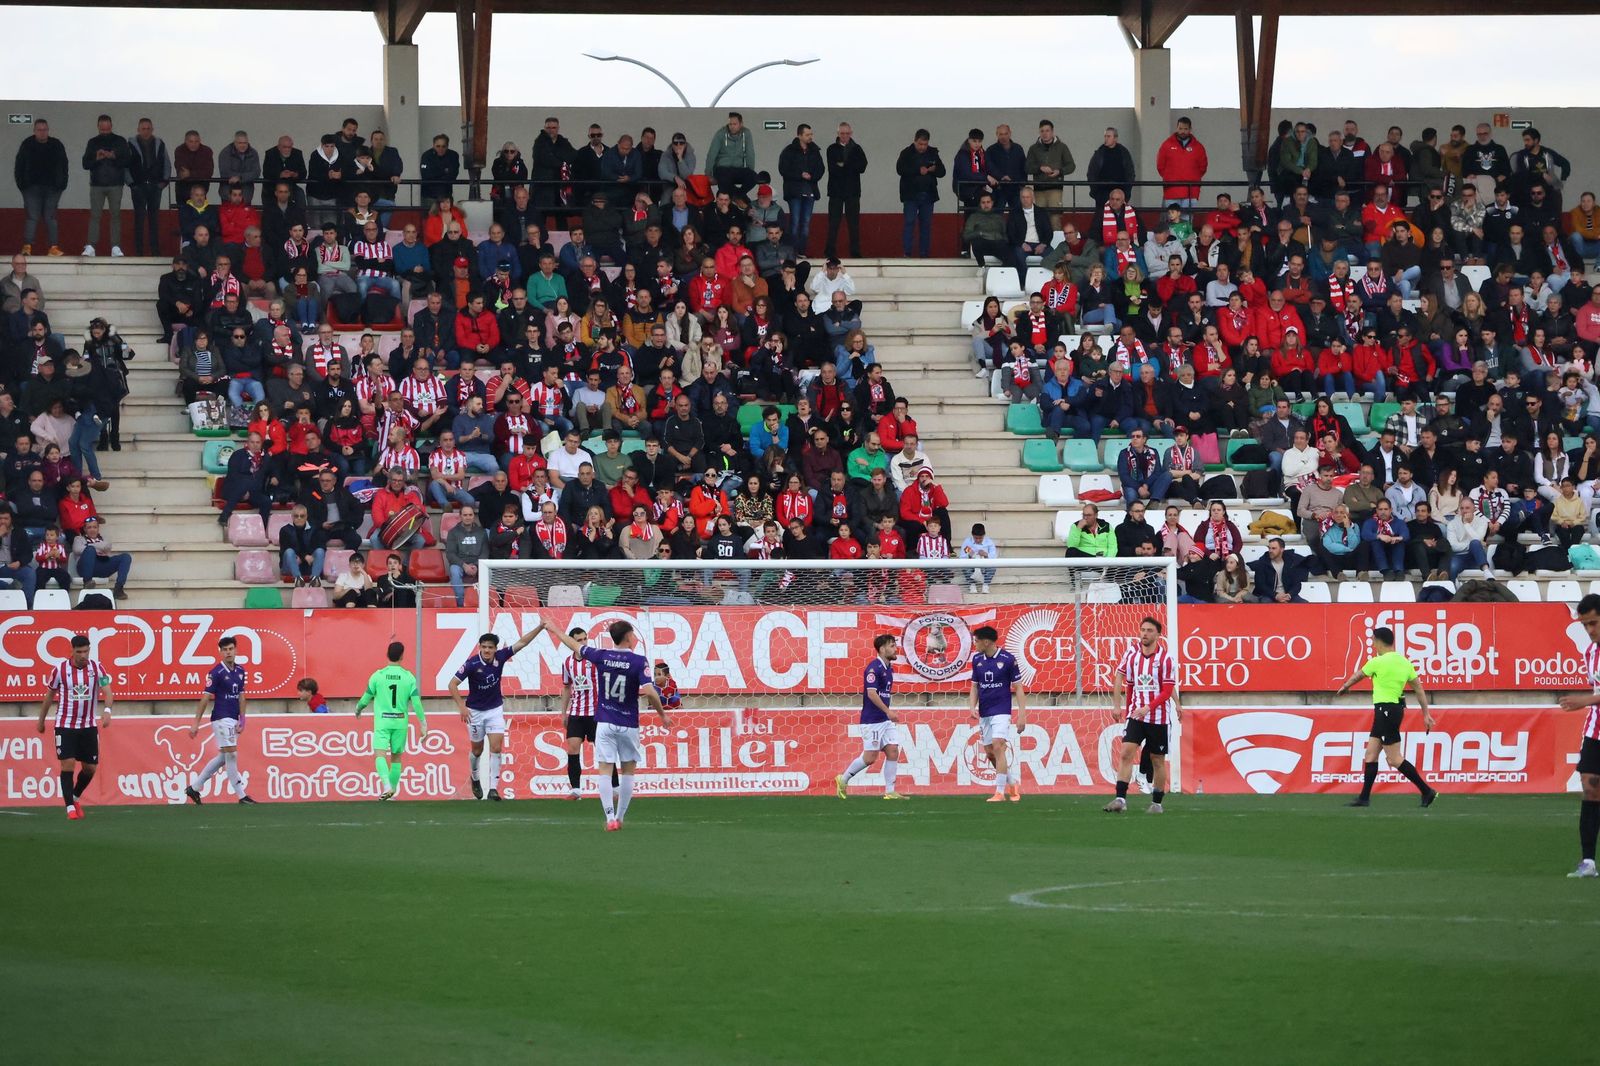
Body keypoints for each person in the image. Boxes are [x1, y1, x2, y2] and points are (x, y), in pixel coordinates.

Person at [539, 618, 673, 831]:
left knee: (604, 768)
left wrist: (553, 628)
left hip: (604, 722)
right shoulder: (639, 661)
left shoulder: (602, 656)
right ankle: (619, 817)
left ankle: (609, 817)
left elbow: (573, 645)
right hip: (628, 723)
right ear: (629, 637)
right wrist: (662, 715)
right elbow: (649, 692)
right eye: (634, 635)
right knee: (628, 770)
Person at [1334, 625, 1438, 809]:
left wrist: (1345, 686)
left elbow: (1359, 675)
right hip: (1392, 710)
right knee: (1371, 755)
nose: (1373, 644)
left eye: (1373, 641)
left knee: (1394, 758)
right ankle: (1364, 798)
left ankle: (1426, 790)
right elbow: (1419, 689)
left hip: (1386, 711)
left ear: (1378, 641)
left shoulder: (1378, 661)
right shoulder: (1404, 662)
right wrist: (1426, 713)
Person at [449, 629, 538, 801]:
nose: (487, 651)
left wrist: (540, 627)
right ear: (480, 648)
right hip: (474, 712)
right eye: (484, 647)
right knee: (477, 750)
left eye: (490, 647)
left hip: (495, 710)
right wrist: (462, 706)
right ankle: (475, 779)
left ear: (495, 649)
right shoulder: (471, 664)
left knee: (496, 748)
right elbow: (452, 684)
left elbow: (522, 643)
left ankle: (493, 789)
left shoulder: (501, 657)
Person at [36, 633, 113, 821]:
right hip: (65, 724)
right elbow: (49, 696)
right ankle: (69, 806)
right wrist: (41, 720)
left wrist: (108, 710)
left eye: (86, 651)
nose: (83, 656)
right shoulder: (60, 670)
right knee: (68, 763)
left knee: (90, 769)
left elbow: (108, 690)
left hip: (88, 726)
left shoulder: (97, 668)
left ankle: (75, 797)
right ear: (72, 651)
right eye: (79, 652)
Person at [1104, 616, 1176, 814]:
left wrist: (1149, 707)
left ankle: (1157, 803)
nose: (1144, 633)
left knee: (1157, 760)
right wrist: (1120, 707)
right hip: (1136, 715)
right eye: (1142, 630)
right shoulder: (1132, 655)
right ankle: (1120, 799)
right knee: (1126, 752)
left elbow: (1167, 691)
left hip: (1158, 717)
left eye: (1149, 630)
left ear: (1158, 635)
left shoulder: (1166, 659)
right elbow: (1127, 682)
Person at [1556, 593, 1600, 878]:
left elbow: (1593, 695)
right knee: (1590, 787)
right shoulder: (1590, 653)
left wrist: (1585, 700)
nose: (1590, 631)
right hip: (1596, 729)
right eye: (1585, 625)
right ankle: (1588, 861)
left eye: (1594, 623)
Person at [182, 636, 255, 804]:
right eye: (225, 650)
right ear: (220, 652)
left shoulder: (240, 671)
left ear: (236, 650)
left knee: (223, 757)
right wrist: (196, 723)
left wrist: (243, 718)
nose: (228, 652)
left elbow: (242, 695)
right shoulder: (216, 672)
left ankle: (194, 788)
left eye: (230, 649)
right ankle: (241, 795)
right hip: (221, 718)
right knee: (232, 754)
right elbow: (205, 698)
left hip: (233, 718)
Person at [834, 634, 908, 800]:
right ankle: (843, 779)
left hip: (884, 720)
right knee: (869, 758)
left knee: (893, 751)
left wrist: (887, 714)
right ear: (882, 649)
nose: (895, 649)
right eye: (892, 646)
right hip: (872, 720)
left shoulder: (889, 668)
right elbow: (872, 694)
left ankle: (890, 792)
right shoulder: (873, 669)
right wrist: (888, 711)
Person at [354, 640, 428, 802]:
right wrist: (423, 723)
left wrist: (358, 709)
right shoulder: (408, 677)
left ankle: (386, 786)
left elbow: (366, 699)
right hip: (400, 722)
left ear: (387, 654)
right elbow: (416, 703)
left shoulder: (378, 676)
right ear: (402, 656)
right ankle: (392, 793)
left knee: (379, 754)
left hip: (383, 722)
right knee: (396, 757)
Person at [969, 624, 1025, 803]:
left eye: (976, 641)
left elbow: (1018, 688)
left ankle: (999, 792)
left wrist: (1022, 714)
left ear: (986, 642)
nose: (975, 644)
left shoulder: (1008, 659)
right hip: (985, 712)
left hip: (1001, 710)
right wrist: (972, 706)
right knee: (990, 752)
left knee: (998, 745)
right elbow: (974, 686)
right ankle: (1012, 782)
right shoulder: (977, 659)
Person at [557, 624, 611, 801]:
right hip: (576, 712)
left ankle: (615, 787)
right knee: (572, 749)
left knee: (604, 751)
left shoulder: (595, 659)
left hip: (596, 713)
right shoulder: (567, 663)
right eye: (579, 640)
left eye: (584, 638)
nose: (583, 642)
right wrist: (563, 712)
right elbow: (566, 688)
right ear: (571, 642)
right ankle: (576, 790)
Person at [14, 118, 69, 256]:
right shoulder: (27, 144)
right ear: (34, 131)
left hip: (53, 188)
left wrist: (62, 184)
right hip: (31, 188)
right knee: (32, 217)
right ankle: (27, 247)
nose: (42, 132)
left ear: (48, 130)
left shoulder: (56, 145)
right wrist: (22, 184)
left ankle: (53, 247)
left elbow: (64, 165)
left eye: (45, 130)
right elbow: (19, 165)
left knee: (50, 217)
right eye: (39, 130)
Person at [896, 129, 944, 259]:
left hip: (928, 194)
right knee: (909, 223)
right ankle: (907, 253)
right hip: (910, 194)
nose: (922, 147)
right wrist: (918, 170)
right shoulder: (906, 153)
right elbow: (899, 169)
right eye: (920, 144)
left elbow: (942, 172)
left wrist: (934, 170)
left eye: (925, 144)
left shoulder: (933, 153)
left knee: (926, 225)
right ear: (915, 141)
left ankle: (924, 254)